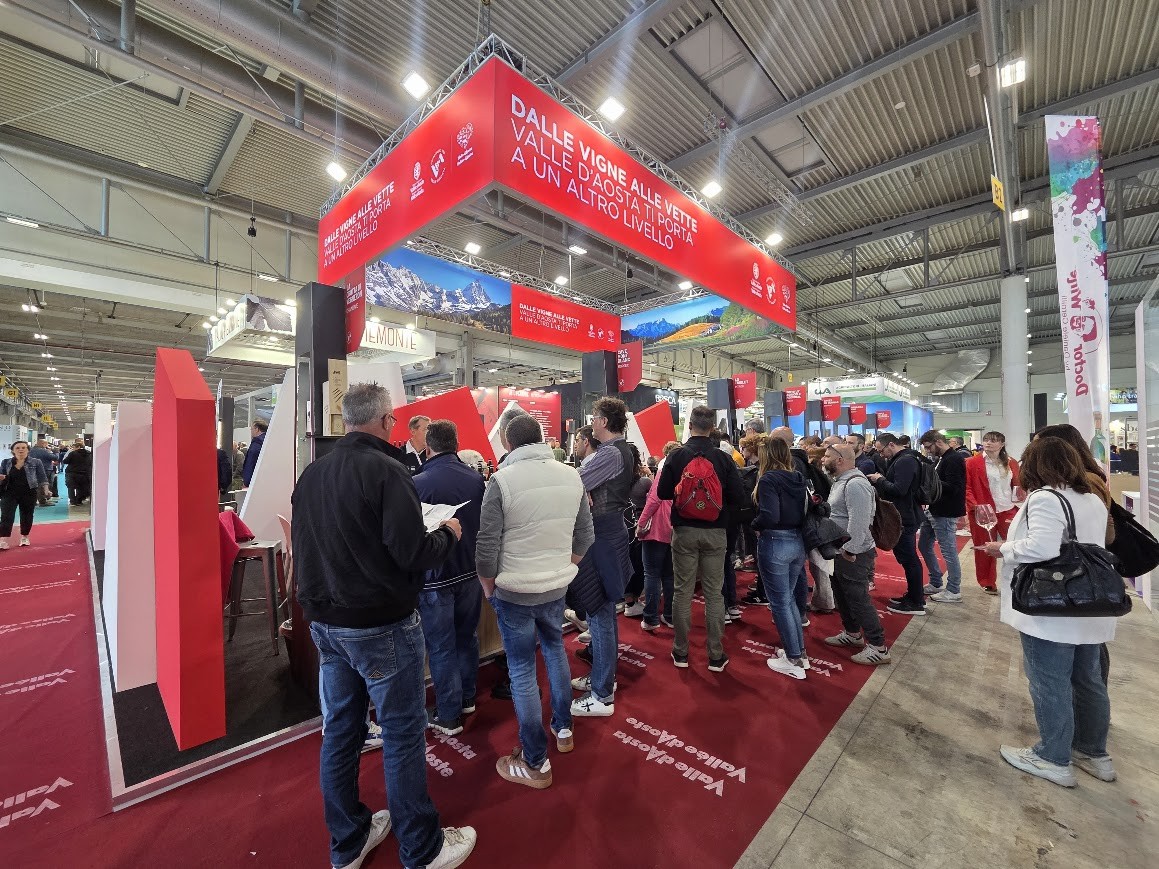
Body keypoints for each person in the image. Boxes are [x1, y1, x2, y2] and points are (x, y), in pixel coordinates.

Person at [290, 383, 476, 869]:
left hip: (325, 622)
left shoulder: (313, 473)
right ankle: (422, 848)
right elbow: (411, 552)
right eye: (393, 420)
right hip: (380, 623)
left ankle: (347, 842)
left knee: (341, 731)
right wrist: (448, 534)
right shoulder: (388, 471)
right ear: (383, 420)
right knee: (402, 732)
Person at [978, 438, 1118, 788]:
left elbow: (1042, 547)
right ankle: (1093, 752)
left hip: (1054, 605)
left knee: (1049, 682)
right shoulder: (1091, 497)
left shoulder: (1045, 497)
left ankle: (1053, 757)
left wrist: (1002, 548)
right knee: (1088, 681)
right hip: (1090, 603)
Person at [476, 414, 594, 788]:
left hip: (514, 592)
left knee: (523, 669)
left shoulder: (502, 481)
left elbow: (486, 548)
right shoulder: (571, 475)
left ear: (508, 443)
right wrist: (564, 567)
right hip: (555, 588)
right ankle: (563, 729)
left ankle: (535, 761)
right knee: (556, 651)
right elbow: (585, 536)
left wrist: (489, 589)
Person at [657, 405, 745, 672]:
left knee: (682, 591)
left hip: (684, 530)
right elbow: (738, 497)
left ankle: (681, 652)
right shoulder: (723, 458)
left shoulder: (676, 455)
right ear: (712, 428)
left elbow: (662, 492)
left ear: (690, 426)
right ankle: (715, 655)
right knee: (714, 594)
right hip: (716, 532)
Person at [412, 421, 486, 737]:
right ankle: (467, 699)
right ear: (456, 444)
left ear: (427, 448)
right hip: (471, 572)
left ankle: (449, 714)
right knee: (466, 638)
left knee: (441, 646)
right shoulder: (476, 479)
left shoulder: (416, 483)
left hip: (435, 577)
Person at [573, 397, 635, 716]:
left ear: (604, 422)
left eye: (594, 418)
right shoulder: (620, 451)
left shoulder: (610, 453)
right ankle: (603, 679)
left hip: (602, 535)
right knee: (604, 613)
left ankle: (601, 694)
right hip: (608, 532)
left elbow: (575, 482)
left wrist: (581, 487)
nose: (592, 423)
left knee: (600, 612)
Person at [822, 443, 890, 665]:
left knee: (858, 599)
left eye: (827, 455)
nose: (823, 459)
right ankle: (852, 633)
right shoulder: (841, 481)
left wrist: (850, 550)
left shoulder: (855, 484)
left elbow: (859, 522)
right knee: (843, 595)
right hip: (840, 550)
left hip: (853, 553)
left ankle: (878, 647)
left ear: (840, 460)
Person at [752, 437, 811, 679]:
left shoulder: (768, 479)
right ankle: (798, 653)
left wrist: (755, 525)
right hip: (797, 541)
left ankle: (794, 659)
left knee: (780, 602)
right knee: (788, 600)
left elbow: (770, 515)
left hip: (776, 542)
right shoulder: (797, 477)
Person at [867, 433, 927, 615]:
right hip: (906, 514)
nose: (881, 455)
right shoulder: (906, 458)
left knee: (909, 559)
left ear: (891, 444)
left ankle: (916, 601)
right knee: (907, 558)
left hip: (905, 516)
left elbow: (900, 489)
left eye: (881, 450)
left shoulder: (905, 461)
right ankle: (914, 596)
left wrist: (880, 480)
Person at [965, 431, 1020, 595]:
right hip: (983, 509)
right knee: (985, 547)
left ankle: (1019, 578)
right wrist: (976, 507)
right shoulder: (972, 462)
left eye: (993, 440)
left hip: (1008, 508)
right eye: (986, 440)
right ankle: (987, 581)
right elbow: (966, 487)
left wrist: (1020, 499)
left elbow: (1018, 485)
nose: (988, 443)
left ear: (1002, 444)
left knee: (1015, 543)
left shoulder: (1011, 462)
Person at [917, 430, 967, 603]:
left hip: (946, 511)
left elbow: (955, 487)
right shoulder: (942, 459)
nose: (928, 451)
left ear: (938, 442)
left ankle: (953, 590)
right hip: (934, 509)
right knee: (924, 545)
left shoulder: (953, 459)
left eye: (928, 447)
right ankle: (936, 582)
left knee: (948, 551)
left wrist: (929, 482)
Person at [637, 441, 677, 632]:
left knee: (652, 574)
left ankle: (651, 618)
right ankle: (669, 615)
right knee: (669, 575)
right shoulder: (684, 474)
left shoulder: (664, 472)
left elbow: (654, 499)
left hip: (656, 528)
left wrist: (641, 523)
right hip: (674, 528)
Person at [1, 441, 51, 549]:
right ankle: (2, 539)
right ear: (13, 450)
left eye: (23, 447)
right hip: (9, 493)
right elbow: (2, 476)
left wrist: (46, 490)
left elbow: (42, 477)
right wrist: (2, 478)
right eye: (17, 448)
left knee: (27, 515)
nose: (21, 450)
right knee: (6, 516)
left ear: (28, 450)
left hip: (29, 492)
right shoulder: (6, 462)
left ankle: (24, 537)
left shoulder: (36, 462)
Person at [738, 433, 768, 606]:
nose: (741, 451)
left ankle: (763, 594)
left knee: (760, 557)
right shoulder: (758, 468)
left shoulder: (761, 471)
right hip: (756, 519)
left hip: (758, 520)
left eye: (743, 448)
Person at [623, 444, 651, 617]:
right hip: (640, 530)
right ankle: (633, 602)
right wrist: (649, 474)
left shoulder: (616, 483)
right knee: (641, 567)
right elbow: (658, 495)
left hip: (621, 530)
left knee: (627, 565)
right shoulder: (644, 482)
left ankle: (629, 601)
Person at [62, 439, 92, 506]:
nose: (73, 449)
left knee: (71, 487)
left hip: (72, 472)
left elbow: (65, 461)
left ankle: (72, 501)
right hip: (84, 473)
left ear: (78, 447)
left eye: (74, 447)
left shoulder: (73, 453)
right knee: (81, 487)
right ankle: (79, 501)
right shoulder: (89, 453)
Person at [241, 419, 267, 487]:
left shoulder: (256, 444)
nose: (251, 431)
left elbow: (250, 463)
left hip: (255, 483)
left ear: (257, 429)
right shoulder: (268, 441)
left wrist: (246, 482)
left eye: (252, 429)